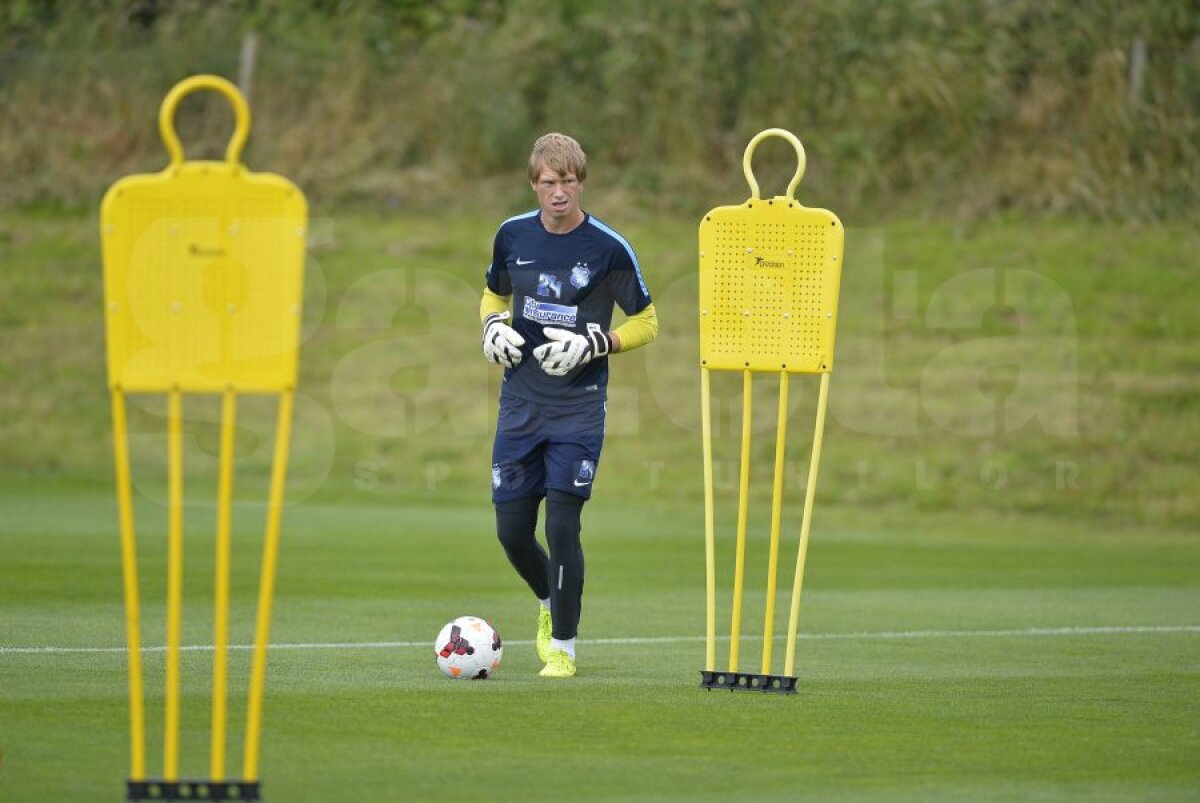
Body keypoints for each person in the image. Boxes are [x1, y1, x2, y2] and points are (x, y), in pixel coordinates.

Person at [480, 133, 658, 678]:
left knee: (561, 527)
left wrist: (598, 343)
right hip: (520, 404)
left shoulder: (608, 248)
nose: (560, 192)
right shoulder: (512, 235)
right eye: (550, 182)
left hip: (579, 409)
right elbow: (494, 293)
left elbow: (648, 323)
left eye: (570, 181)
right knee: (511, 531)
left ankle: (563, 645)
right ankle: (546, 599)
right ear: (534, 184)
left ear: (582, 182)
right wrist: (490, 325)